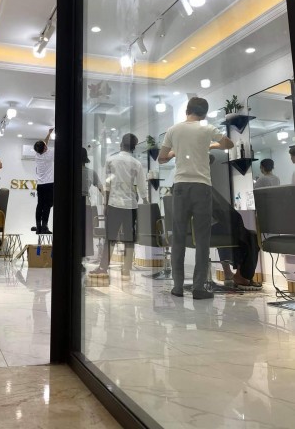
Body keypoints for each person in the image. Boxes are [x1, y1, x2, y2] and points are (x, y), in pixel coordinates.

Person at [158, 97, 234, 300]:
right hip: (202, 188)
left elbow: (161, 158)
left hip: (180, 187)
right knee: (202, 239)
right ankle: (198, 288)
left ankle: (177, 287)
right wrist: (212, 145)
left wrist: (175, 152)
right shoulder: (206, 128)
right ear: (204, 113)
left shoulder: (173, 130)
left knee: (178, 237)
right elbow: (229, 143)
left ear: (187, 110)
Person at [90, 133, 147, 279]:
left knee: (110, 238)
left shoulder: (111, 160)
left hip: (114, 203)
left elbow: (108, 185)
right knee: (129, 238)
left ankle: (103, 268)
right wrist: (145, 200)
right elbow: (142, 186)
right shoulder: (136, 163)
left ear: (121, 144)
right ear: (133, 148)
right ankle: (126, 270)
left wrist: (105, 204)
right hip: (131, 205)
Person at [208, 155, 262, 289]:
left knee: (243, 235)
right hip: (207, 228)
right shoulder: (201, 187)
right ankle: (242, 276)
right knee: (249, 237)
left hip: (208, 226)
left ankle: (237, 274)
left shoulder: (192, 186)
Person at [31, 127, 54, 235]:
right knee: (47, 206)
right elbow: (45, 143)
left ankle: (38, 227)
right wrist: (49, 134)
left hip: (40, 184)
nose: (46, 146)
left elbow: (45, 143)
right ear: (44, 148)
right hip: (49, 184)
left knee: (40, 205)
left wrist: (49, 134)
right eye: (45, 146)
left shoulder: (37, 155)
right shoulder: (50, 154)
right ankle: (44, 227)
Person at [82, 147, 103, 257]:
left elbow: (100, 187)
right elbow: (100, 187)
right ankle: (84, 255)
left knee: (84, 231)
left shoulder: (90, 172)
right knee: (86, 231)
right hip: (85, 203)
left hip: (83, 203)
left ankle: (81, 255)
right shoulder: (90, 172)